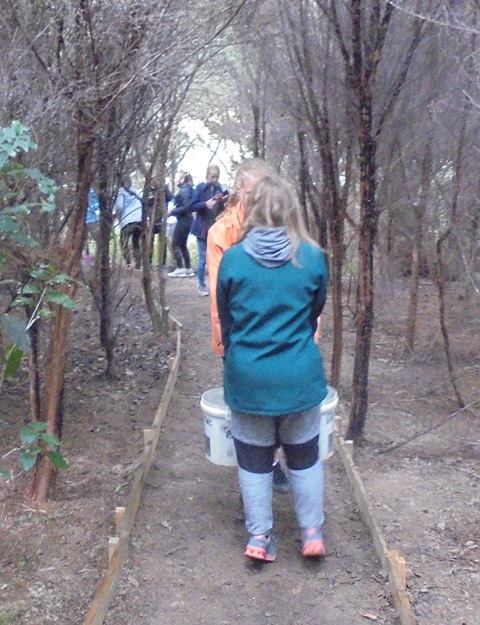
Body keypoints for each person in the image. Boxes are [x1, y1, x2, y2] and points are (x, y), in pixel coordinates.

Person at [217, 174, 329, 562]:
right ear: (292, 210)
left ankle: (259, 537)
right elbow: (314, 312)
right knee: (305, 457)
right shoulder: (312, 258)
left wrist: (238, 359)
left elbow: (227, 320)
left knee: (253, 461)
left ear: (251, 209)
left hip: (248, 378)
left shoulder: (233, 260)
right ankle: (311, 532)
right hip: (299, 377)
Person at [206, 158, 290, 494]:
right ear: (239, 192)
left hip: (285, 336)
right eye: (252, 192)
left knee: (282, 409)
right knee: (249, 416)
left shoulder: (289, 228)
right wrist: (228, 344)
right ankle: (254, 481)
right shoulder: (222, 232)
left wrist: (310, 331)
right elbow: (219, 298)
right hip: (242, 338)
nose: (258, 200)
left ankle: (273, 462)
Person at [190, 164, 228, 296]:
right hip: (203, 227)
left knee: (218, 257)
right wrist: (205, 204)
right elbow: (192, 205)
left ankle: (216, 285)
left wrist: (222, 202)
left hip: (216, 227)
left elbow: (225, 208)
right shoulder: (200, 188)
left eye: (216, 177)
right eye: (212, 177)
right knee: (203, 258)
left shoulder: (221, 189)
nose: (214, 179)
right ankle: (201, 284)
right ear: (207, 176)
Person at [167, 171, 195, 277]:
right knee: (182, 244)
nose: (175, 179)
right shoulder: (186, 189)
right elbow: (177, 201)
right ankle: (188, 268)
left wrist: (172, 212)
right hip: (187, 220)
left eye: (176, 177)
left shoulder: (184, 190)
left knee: (175, 243)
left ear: (182, 179)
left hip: (184, 220)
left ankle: (180, 268)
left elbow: (185, 207)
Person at [114, 175, 143, 270]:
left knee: (123, 242)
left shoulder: (120, 192)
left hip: (127, 220)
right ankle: (138, 264)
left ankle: (129, 264)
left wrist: (116, 214)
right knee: (136, 242)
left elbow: (119, 206)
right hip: (139, 220)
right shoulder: (136, 191)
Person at [145, 180, 173, 267]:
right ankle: (149, 262)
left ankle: (162, 263)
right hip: (151, 219)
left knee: (162, 242)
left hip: (161, 219)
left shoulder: (163, 188)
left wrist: (163, 187)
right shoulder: (147, 189)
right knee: (150, 241)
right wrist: (146, 218)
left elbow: (171, 198)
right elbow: (145, 204)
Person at [84, 187, 99, 264]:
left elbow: (97, 206)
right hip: (88, 221)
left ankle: (96, 256)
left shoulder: (92, 194)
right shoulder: (92, 194)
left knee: (95, 238)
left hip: (92, 220)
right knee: (86, 239)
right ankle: (88, 257)